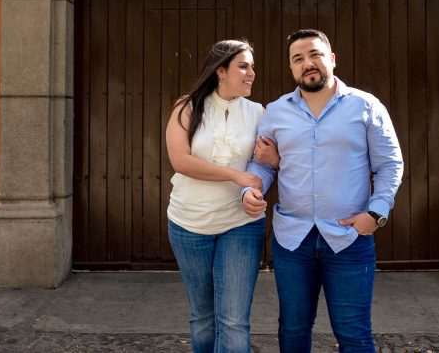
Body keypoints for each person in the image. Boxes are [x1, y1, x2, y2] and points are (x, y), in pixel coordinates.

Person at [242, 29, 404, 353]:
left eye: (315, 54)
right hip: (292, 240)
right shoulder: (275, 112)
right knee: (292, 330)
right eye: (298, 59)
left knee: (354, 334)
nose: (308, 64)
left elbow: (389, 164)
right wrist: (249, 190)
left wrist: (376, 214)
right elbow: (261, 164)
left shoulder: (366, 106)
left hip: (349, 240)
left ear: (331, 58)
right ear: (291, 68)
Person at [165, 39, 279, 353]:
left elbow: (264, 164)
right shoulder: (185, 107)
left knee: (233, 321)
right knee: (203, 318)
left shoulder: (259, 113)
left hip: (240, 224)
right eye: (244, 66)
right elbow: (181, 161)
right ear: (220, 71)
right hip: (188, 224)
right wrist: (235, 175)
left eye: (252, 67)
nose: (252, 73)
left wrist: (259, 180)